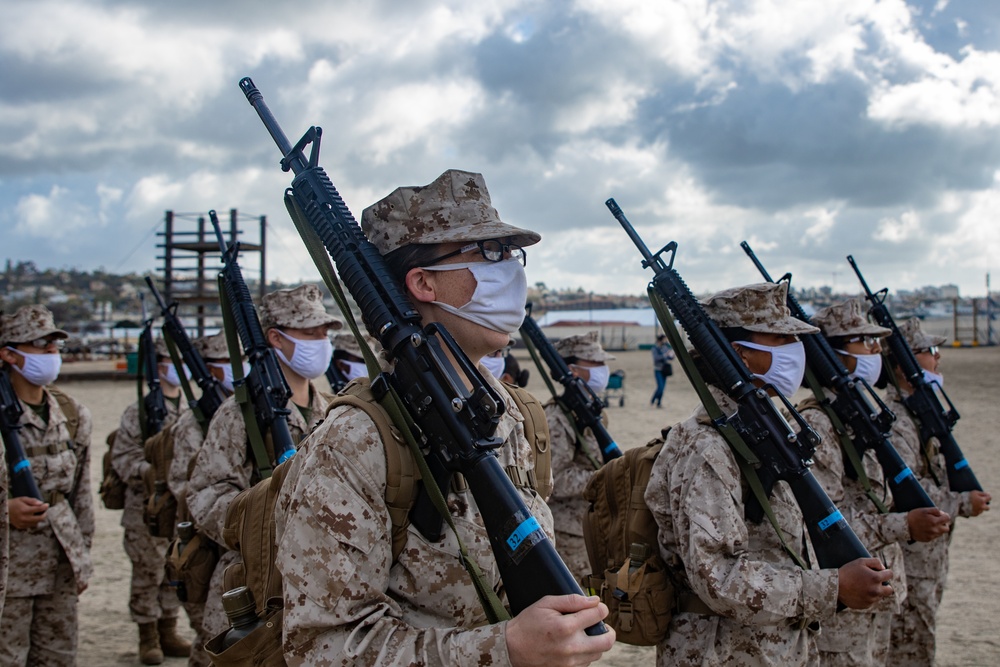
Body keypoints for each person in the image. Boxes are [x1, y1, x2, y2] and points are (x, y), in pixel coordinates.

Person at [274, 168, 615, 666]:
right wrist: (503, 649)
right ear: (423, 283)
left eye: (511, 253)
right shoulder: (353, 441)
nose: (511, 271)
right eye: (489, 253)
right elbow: (321, 647)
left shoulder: (514, 414)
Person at [644, 283, 894, 667]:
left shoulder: (760, 428)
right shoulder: (708, 446)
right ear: (740, 355)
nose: (796, 349)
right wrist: (833, 587)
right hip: (722, 652)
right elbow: (719, 577)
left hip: (767, 647)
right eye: (781, 338)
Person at [798, 299, 951, 666]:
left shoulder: (861, 414)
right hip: (847, 602)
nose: (875, 351)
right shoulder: (819, 424)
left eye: (875, 341)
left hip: (880, 587)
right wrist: (903, 524)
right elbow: (825, 523)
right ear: (833, 355)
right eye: (863, 342)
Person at [186, 284, 340, 645]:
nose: (321, 342)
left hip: (319, 585)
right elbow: (204, 495)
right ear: (276, 338)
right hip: (256, 585)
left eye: (324, 333)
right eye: (309, 333)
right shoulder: (240, 414)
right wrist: (268, 515)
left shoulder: (333, 410)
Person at [882, 318, 992, 666]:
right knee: (910, 649)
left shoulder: (919, 411)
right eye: (927, 351)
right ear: (903, 364)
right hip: (912, 559)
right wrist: (962, 502)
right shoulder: (897, 420)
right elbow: (907, 487)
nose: (937, 357)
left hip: (929, 556)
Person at [0, 305, 94, 667]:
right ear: (9, 353)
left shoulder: (71, 413)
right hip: (9, 570)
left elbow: (81, 495)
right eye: (41, 346)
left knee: (58, 657)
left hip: (59, 562)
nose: (51, 356)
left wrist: (81, 556)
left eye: (56, 347)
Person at [112, 336, 193, 665]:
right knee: (147, 572)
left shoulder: (187, 408)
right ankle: (147, 635)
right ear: (158, 368)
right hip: (145, 508)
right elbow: (123, 457)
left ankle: (168, 629)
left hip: (177, 506)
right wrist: (151, 472)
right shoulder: (139, 412)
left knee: (174, 569)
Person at [166, 331, 238, 667]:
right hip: (209, 545)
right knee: (211, 640)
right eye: (225, 362)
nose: (235, 368)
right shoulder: (192, 424)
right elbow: (184, 485)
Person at [544, 331, 614, 580]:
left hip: (591, 525)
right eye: (595, 363)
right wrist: (605, 476)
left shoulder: (591, 410)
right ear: (572, 370)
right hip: (568, 532)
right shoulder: (557, 417)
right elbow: (556, 478)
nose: (602, 369)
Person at [650, 334, 674, 408]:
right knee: (660, 387)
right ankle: (653, 400)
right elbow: (656, 359)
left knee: (662, 388)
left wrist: (671, 355)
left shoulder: (665, 347)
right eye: (664, 339)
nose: (665, 341)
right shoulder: (654, 348)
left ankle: (659, 403)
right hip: (658, 370)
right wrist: (665, 355)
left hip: (664, 370)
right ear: (660, 340)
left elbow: (670, 358)